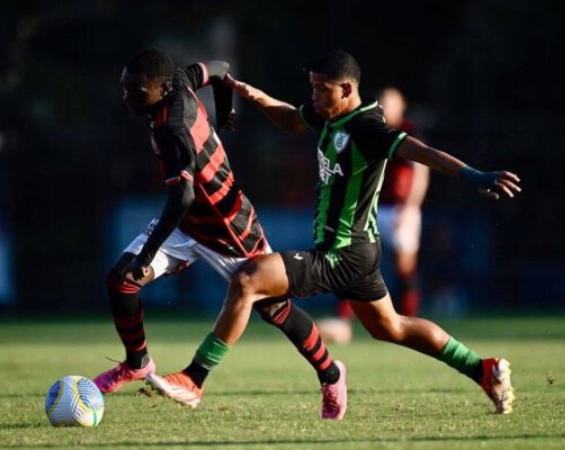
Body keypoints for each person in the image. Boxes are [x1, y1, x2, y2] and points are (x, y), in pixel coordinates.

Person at [147, 50, 519, 416]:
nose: (313, 96)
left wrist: (476, 176)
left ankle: (194, 379)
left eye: (320, 89)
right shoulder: (329, 113)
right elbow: (292, 120)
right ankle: (483, 370)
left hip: (344, 253)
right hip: (357, 251)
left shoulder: (368, 126)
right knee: (391, 327)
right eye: (311, 87)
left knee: (249, 278)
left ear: (345, 89)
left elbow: (423, 152)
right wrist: (252, 95)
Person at [92, 48, 347, 420]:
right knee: (121, 281)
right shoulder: (178, 80)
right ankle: (138, 363)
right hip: (186, 224)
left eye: (136, 90)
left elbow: (183, 195)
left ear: (161, 89)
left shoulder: (172, 128)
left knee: (273, 307)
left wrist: (148, 254)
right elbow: (222, 69)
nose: (127, 97)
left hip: (228, 225)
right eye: (125, 88)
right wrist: (225, 108)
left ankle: (331, 374)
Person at [318, 86, 429, 344]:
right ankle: (343, 322)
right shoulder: (368, 127)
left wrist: (411, 207)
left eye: (391, 102)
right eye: (383, 101)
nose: (386, 106)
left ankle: (409, 319)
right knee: (354, 261)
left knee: (404, 267)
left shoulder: (409, 132)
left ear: (402, 106)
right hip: (372, 208)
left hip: (401, 209)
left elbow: (421, 172)